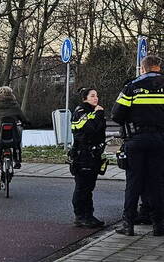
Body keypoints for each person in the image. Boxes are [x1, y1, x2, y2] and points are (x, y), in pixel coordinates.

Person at [113, 54, 164, 236]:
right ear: (158, 67)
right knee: (157, 182)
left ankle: (128, 224)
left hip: (136, 140)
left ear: (143, 68)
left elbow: (117, 114)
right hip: (159, 140)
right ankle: (159, 225)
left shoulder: (132, 87)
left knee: (134, 183)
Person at [69, 87, 107, 228]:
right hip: (82, 154)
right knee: (82, 187)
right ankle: (80, 216)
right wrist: (99, 115)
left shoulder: (94, 111)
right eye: (92, 96)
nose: (96, 98)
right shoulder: (81, 112)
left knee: (89, 187)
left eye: (96, 95)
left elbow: (100, 130)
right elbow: (91, 129)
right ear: (85, 98)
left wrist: (98, 116)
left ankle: (89, 215)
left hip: (93, 154)